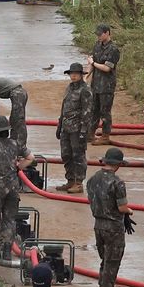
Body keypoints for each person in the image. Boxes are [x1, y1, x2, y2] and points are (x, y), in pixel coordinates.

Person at [87, 147, 131, 287]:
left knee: (105, 259)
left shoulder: (92, 180)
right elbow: (122, 208)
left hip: (98, 225)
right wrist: (129, 211)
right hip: (113, 227)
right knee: (112, 261)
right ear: (118, 164)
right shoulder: (117, 182)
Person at [58, 62, 94, 194]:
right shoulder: (69, 88)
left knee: (78, 155)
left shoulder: (85, 90)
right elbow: (64, 107)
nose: (73, 76)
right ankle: (70, 180)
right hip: (66, 127)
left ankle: (78, 183)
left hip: (77, 129)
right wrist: (59, 125)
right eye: (71, 74)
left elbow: (88, 111)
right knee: (66, 154)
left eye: (75, 74)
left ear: (80, 75)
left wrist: (84, 130)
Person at [89, 24, 120, 144]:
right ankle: (90, 133)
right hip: (95, 84)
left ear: (107, 33)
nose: (98, 37)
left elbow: (107, 68)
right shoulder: (97, 45)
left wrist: (93, 63)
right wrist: (87, 75)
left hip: (107, 85)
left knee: (105, 111)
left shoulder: (113, 49)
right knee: (93, 110)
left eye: (100, 34)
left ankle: (105, 136)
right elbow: (93, 62)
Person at [0, 79, 29, 151]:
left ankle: (20, 147)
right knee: (13, 120)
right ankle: (14, 143)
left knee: (18, 120)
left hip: (17, 94)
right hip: (19, 93)